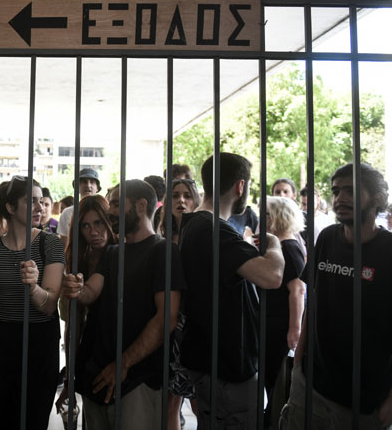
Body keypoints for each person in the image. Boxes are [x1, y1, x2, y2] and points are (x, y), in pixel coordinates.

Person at [63, 179, 185, 429]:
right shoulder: (113, 253)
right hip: (98, 378)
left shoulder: (163, 251)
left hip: (138, 381)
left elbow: (167, 317)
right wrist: (76, 289)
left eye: (117, 204)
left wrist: (123, 364)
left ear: (141, 206)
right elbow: (91, 292)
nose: (110, 211)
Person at [281, 163, 392, 430]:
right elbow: (314, 302)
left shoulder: (389, 251)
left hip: (364, 402)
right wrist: (298, 366)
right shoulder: (327, 238)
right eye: (336, 191)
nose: (340, 198)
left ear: (377, 198)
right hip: (310, 388)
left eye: (351, 191)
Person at [178, 153, 284, 429]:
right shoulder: (212, 229)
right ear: (240, 186)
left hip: (213, 362)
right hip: (226, 368)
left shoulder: (196, 224)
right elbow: (272, 276)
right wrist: (274, 244)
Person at [0, 175, 65, 430]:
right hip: (0, 341)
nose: (40, 207)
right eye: (31, 201)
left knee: (32, 419)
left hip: (39, 342)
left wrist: (33, 288)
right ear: (10, 207)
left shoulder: (50, 243)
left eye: (41, 201)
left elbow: (49, 305)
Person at [54, 194, 116, 419]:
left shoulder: (124, 252)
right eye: (86, 226)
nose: (93, 232)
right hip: (92, 353)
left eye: (98, 223)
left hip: (122, 350)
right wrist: (69, 380)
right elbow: (73, 325)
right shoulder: (79, 261)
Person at [157, 177, 201, 430]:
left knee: (198, 401)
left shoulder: (203, 235)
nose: (181, 200)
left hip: (195, 323)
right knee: (170, 401)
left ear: (196, 200)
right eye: (175, 195)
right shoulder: (162, 238)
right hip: (168, 323)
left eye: (187, 195)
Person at [261, 196, 306, 426]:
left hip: (280, 328)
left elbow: (298, 290)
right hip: (273, 324)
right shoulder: (280, 245)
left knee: (277, 384)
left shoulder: (288, 247)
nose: (263, 219)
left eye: (266, 214)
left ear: (278, 217)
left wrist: (294, 330)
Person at [58, 168, 102, 247]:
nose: (88, 185)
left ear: (97, 188)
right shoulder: (67, 213)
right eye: (84, 182)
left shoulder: (104, 211)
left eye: (92, 182)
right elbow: (65, 244)